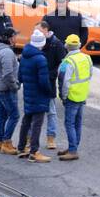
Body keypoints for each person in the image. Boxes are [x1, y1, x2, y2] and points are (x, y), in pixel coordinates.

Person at [16, 29, 52, 162]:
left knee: (26, 121)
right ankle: (34, 152)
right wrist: (49, 91)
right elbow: (44, 81)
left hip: (28, 93)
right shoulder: (40, 59)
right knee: (37, 123)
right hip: (39, 95)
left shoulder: (24, 55)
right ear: (41, 44)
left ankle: (21, 148)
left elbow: (20, 77)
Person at [58, 34, 91, 160]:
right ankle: (73, 147)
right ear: (79, 45)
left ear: (66, 46)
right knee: (77, 123)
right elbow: (90, 75)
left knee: (69, 123)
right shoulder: (87, 58)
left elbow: (63, 82)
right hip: (82, 94)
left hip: (71, 96)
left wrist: (63, 96)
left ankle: (72, 150)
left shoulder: (67, 62)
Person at [0, 26, 20, 154]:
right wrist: (15, 86)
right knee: (14, 115)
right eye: (14, 36)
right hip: (6, 89)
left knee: (2, 115)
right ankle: (7, 143)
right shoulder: (7, 53)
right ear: (9, 38)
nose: (16, 38)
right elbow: (8, 74)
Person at [37, 20, 66, 150]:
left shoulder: (56, 44)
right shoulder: (36, 42)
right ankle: (30, 139)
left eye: (38, 31)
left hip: (49, 84)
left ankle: (51, 138)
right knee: (34, 112)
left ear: (46, 30)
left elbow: (62, 64)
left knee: (51, 112)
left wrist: (50, 75)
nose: (36, 34)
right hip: (37, 83)